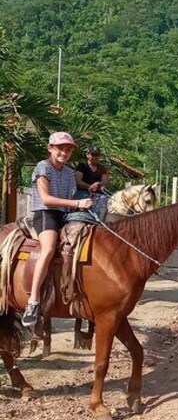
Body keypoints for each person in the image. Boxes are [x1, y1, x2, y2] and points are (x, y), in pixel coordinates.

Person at [23, 132, 93, 333]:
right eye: (60, 148)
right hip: (45, 214)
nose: (64, 152)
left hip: (65, 214)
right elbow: (46, 199)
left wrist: (82, 208)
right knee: (49, 248)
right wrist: (77, 203)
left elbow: (70, 200)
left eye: (68, 149)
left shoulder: (70, 173)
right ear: (50, 148)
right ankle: (34, 300)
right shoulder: (43, 167)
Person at [74, 146, 110, 215]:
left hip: (98, 195)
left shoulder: (102, 168)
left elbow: (105, 182)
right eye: (93, 154)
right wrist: (90, 187)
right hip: (82, 192)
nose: (95, 157)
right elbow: (77, 181)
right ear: (88, 155)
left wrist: (98, 184)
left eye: (97, 155)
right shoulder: (82, 166)